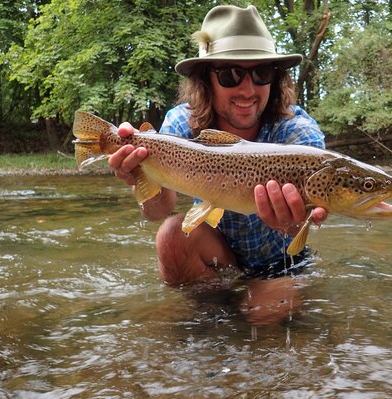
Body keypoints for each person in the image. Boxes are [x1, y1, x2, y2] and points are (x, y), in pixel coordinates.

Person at [108, 5, 328, 288]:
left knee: (263, 319)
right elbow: (157, 211)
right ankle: (212, 318)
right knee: (171, 236)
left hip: (281, 263)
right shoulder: (181, 127)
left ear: (276, 77)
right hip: (219, 258)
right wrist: (139, 176)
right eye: (230, 75)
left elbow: (304, 225)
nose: (248, 90)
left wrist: (291, 223)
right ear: (206, 79)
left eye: (261, 73)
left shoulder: (297, 135)